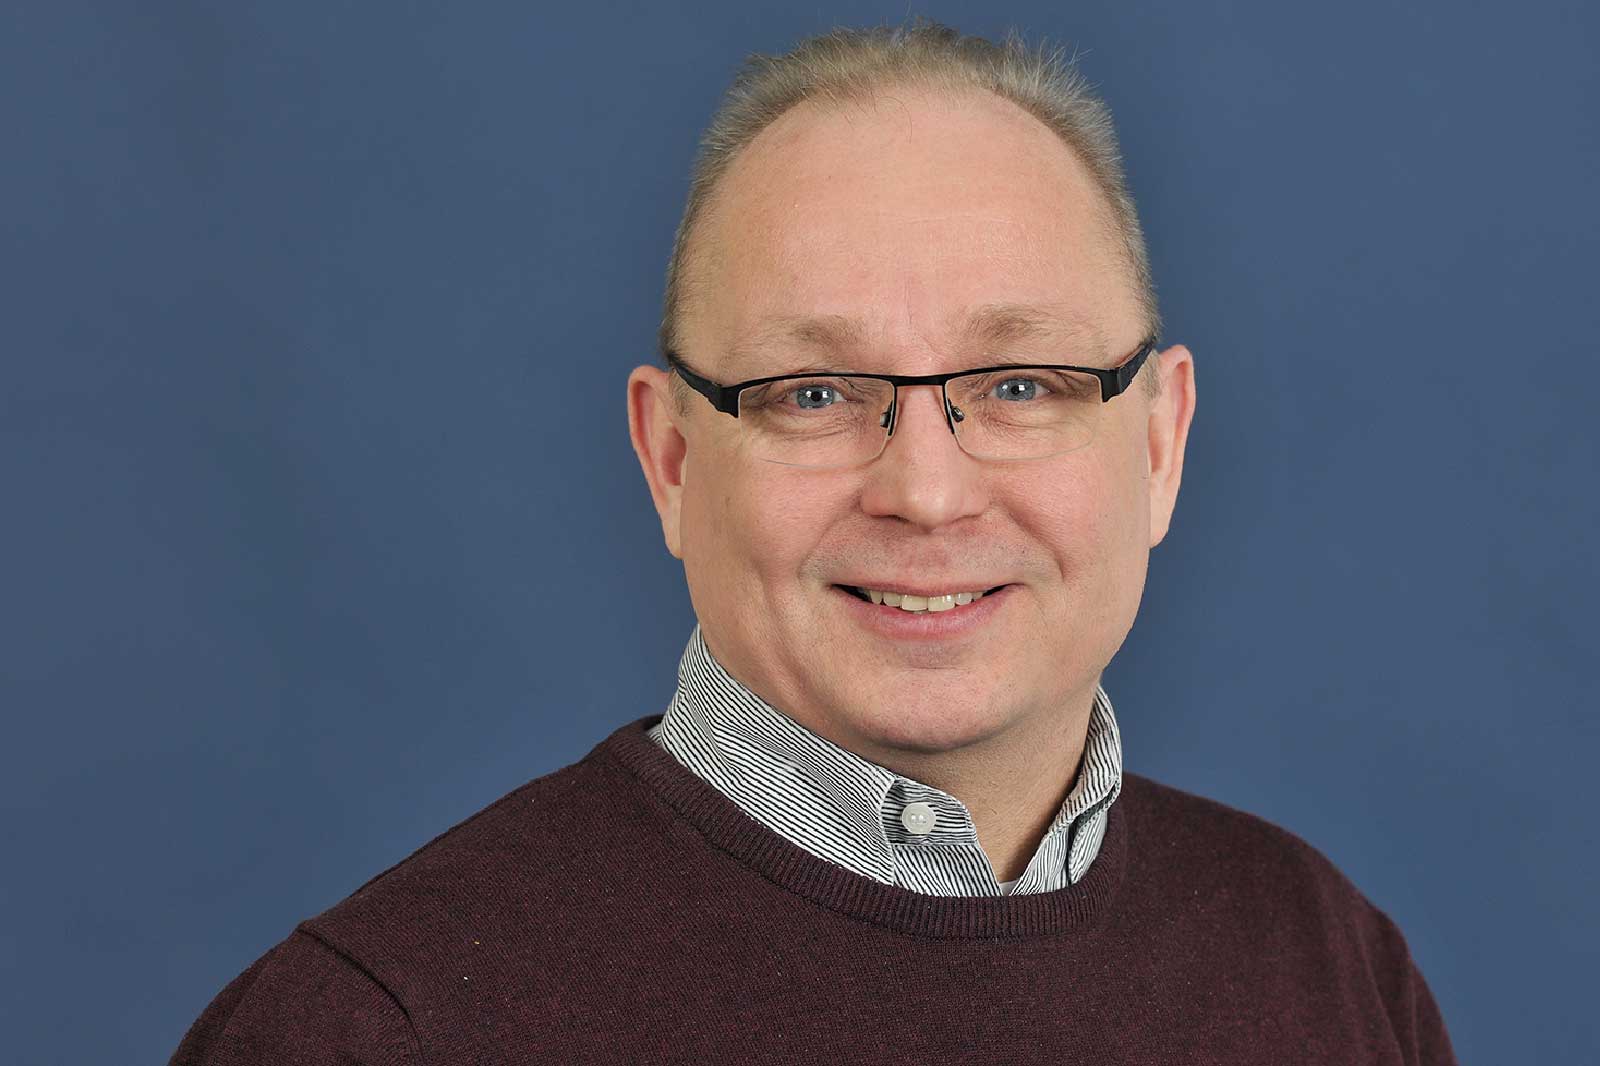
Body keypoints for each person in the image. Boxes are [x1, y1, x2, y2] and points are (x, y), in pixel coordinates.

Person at [170, 19, 1458, 1064]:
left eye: (1020, 384)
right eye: (814, 394)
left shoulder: (1325, 957)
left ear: (1163, 442)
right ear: (671, 460)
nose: (928, 493)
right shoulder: (372, 1032)